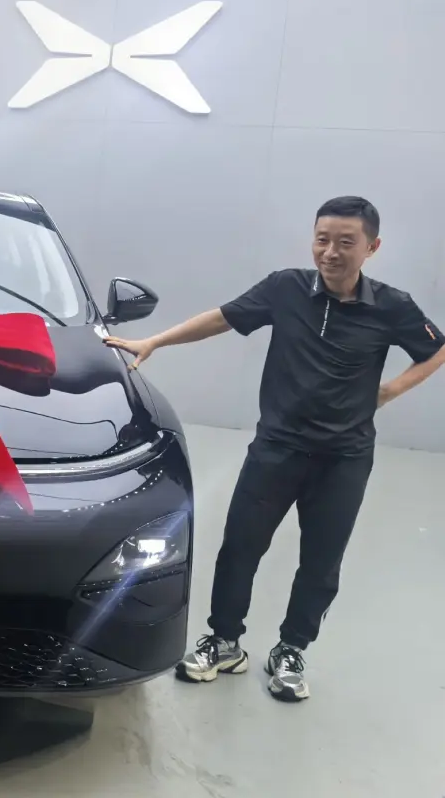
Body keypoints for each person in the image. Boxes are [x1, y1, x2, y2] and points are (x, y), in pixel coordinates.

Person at [104, 196, 445, 702]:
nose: (330, 252)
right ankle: (224, 641)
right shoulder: (286, 288)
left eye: (345, 242)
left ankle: (291, 648)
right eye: (322, 239)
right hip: (276, 448)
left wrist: (389, 391)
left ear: (372, 248)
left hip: (344, 458)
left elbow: (436, 348)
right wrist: (156, 341)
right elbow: (223, 317)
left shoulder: (392, 306)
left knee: (321, 561)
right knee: (240, 546)